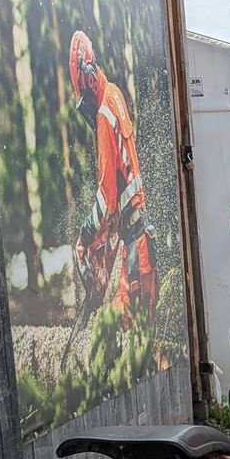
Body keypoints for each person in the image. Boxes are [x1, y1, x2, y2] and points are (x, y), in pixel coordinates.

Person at [67, 29, 156, 320]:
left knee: (123, 327)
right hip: (139, 232)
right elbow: (123, 176)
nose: (87, 109)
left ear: (89, 77)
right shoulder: (115, 93)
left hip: (135, 243)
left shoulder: (104, 113)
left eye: (85, 99)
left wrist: (87, 235)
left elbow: (107, 198)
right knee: (141, 329)